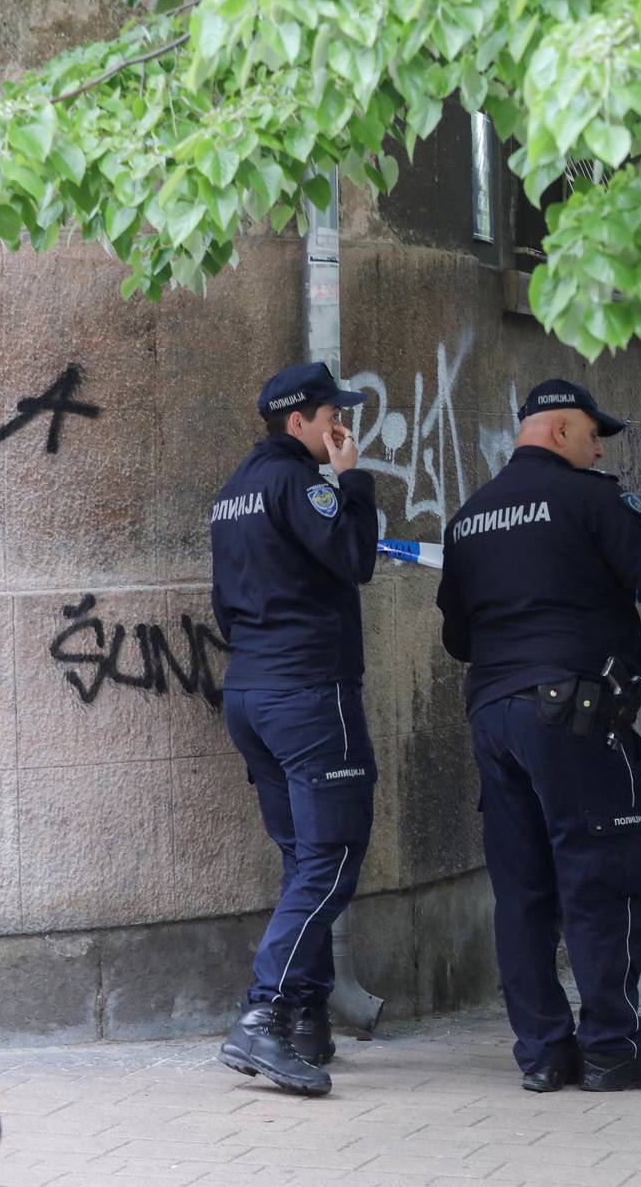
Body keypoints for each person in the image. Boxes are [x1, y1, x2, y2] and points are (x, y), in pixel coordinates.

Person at [436, 379, 641, 1094]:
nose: (597, 448)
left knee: (522, 889)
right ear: (557, 431)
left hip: (494, 715)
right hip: (576, 717)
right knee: (603, 877)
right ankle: (614, 1047)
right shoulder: (593, 499)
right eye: (592, 435)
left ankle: (545, 1053)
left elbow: (459, 636)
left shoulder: (468, 517)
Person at [210, 361, 378, 1098]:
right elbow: (354, 556)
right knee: (333, 858)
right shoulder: (298, 480)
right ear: (300, 420)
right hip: (309, 693)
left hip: (251, 691)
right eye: (332, 414)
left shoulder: (232, 492)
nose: (342, 424)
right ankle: (262, 1014)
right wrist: (352, 478)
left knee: (302, 858)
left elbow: (225, 602)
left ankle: (305, 1017)